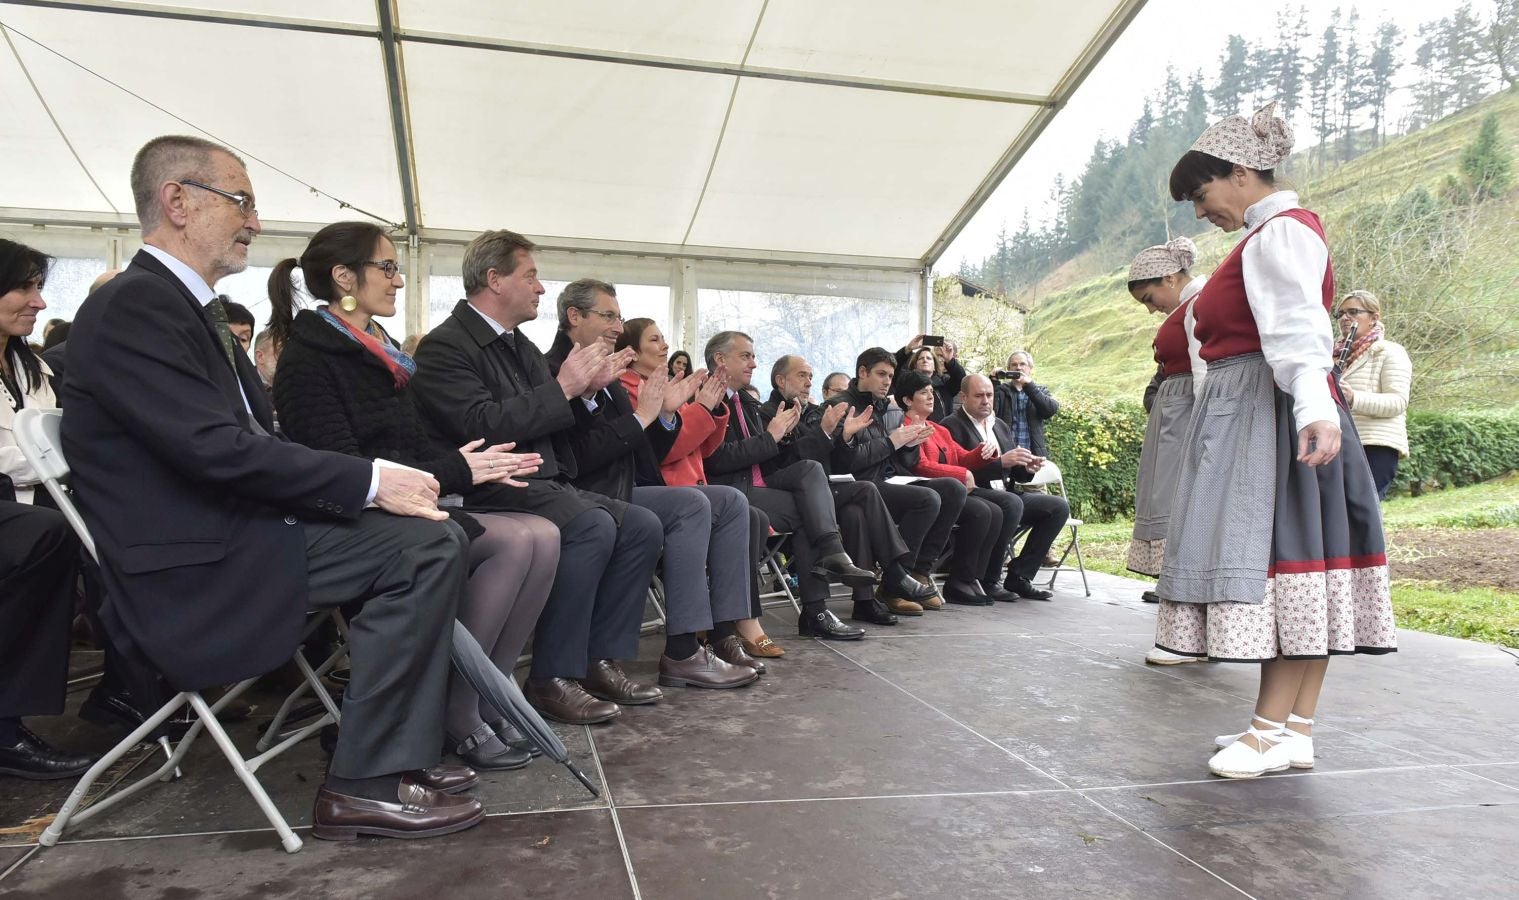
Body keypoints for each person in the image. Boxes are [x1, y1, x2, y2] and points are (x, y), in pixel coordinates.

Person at [62, 135, 482, 839]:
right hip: (195, 560)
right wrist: (369, 479)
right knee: (421, 550)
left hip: (232, 529)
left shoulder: (179, 307)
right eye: (241, 201)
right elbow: (211, 450)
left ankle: (395, 754)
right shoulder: (137, 306)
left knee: (428, 536)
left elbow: (251, 446)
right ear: (178, 201)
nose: (254, 221)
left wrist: (368, 487)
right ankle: (364, 781)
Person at [1160, 103, 1394, 779]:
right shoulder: (1271, 235)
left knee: (1280, 563)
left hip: (1273, 413)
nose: (1201, 214)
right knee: (1306, 567)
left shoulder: (1278, 236)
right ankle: (1294, 728)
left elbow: (1298, 333)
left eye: (1202, 197)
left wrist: (1313, 411)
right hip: (1274, 407)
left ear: (1238, 173)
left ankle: (1266, 733)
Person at [269, 220, 556, 771]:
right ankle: (459, 708)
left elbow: (411, 449)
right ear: (344, 278)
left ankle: (485, 697)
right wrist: (458, 471)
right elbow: (341, 468)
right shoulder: (312, 356)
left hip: (402, 506)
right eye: (388, 267)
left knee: (541, 534)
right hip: (356, 521)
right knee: (518, 541)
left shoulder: (381, 349)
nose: (399, 280)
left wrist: (471, 468)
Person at [410, 229, 665, 726]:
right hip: (488, 486)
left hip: (543, 483)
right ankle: (551, 676)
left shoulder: (519, 347)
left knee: (641, 526)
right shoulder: (445, 347)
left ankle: (598, 660)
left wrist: (581, 391)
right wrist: (566, 387)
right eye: (530, 276)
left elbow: (548, 421)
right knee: (593, 524)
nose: (541, 288)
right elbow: (481, 426)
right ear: (494, 280)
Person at [546, 280, 759, 689]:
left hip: (634, 484)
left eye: (619, 318)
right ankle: (682, 649)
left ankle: (723, 630)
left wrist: (665, 415)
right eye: (608, 316)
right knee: (693, 505)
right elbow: (577, 456)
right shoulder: (566, 369)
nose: (615, 326)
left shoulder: (610, 375)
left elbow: (647, 454)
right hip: (593, 489)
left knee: (732, 502)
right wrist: (656, 415)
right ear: (575, 316)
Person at [617, 317, 786, 659]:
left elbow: (702, 449)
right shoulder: (627, 388)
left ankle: (725, 628)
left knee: (738, 504)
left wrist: (712, 409)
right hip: (661, 488)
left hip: (692, 486)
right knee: (725, 506)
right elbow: (663, 453)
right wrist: (702, 410)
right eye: (655, 340)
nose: (665, 345)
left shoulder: (664, 385)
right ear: (632, 353)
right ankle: (694, 640)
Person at [701, 330, 879, 640]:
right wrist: (771, 437)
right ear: (720, 359)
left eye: (754, 356)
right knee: (810, 511)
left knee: (810, 477)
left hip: (759, 483)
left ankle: (824, 582)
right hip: (729, 490)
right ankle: (818, 604)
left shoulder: (746, 402)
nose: (754, 364)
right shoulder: (705, 398)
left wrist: (781, 437)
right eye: (746, 356)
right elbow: (716, 460)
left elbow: (770, 455)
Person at [0, 239, 96, 780]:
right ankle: (5, 731)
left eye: (39, 287)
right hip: (27, 510)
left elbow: (58, 442)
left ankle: (135, 688)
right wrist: (68, 465)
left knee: (99, 533)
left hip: (36, 504)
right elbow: (33, 455)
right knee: (51, 534)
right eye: (23, 286)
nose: (38, 301)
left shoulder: (30, 364)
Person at [764, 353, 942, 618]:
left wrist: (906, 444)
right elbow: (802, 463)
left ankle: (865, 602)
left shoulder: (862, 407)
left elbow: (828, 460)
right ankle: (895, 574)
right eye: (802, 376)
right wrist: (835, 435)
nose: (809, 383)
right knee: (872, 492)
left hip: (834, 487)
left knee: (857, 513)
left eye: (811, 377)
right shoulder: (776, 412)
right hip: (811, 490)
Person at [826, 348, 971, 608]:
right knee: (927, 499)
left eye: (890, 376)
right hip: (857, 485)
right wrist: (893, 442)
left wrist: (909, 445)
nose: (886, 381)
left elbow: (900, 461)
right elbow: (844, 462)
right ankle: (895, 584)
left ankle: (919, 572)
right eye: (881, 374)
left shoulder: (884, 408)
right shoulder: (842, 406)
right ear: (862, 373)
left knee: (953, 489)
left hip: (884, 481)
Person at [1125, 237, 1209, 648]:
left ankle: (1186, 626)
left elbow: (1205, 370)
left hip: (1187, 417)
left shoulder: (1197, 305)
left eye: (1150, 296)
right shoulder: (1185, 307)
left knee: (1180, 507)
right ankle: (1179, 615)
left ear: (1172, 277)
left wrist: (1203, 429)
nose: (1150, 306)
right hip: (1174, 415)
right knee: (1168, 504)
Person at [894, 371, 1023, 604]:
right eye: (924, 392)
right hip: (929, 493)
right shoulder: (904, 427)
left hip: (953, 490)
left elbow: (961, 457)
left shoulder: (938, 429)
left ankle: (972, 577)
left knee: (995, 510)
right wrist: (961, 473)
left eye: (932, 392)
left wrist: (985, 453)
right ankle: (953, 579)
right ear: (907, 400)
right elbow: (919, 466)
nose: (931, 397)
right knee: (984, 512)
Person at [944, 375, 1069, 601]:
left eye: (989, 395)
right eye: (979, 395)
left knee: (1058, 507)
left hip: (1004, 490)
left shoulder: (998, 424)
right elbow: (957, 469)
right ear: (963, 397)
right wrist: (1000, 463)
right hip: (975, 493)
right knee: (1011, 503)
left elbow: (1012, 473)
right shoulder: (951, 426)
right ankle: (989, 579)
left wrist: (1027, 467)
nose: (986, 401)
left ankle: (1020, 575)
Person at [1334, 290, 1411, 499]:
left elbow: (1398, 401)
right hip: (1339, 443)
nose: (1344, 318)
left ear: (1374, 317)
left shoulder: (1390, 352)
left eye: (1353, 312)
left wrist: (1353, 398)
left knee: (1363, 511)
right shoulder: (1332, 354)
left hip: (1375, 445)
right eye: (1340, 314)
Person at [992, 350, 1058, 460]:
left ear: (1030, 369)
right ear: (1008, 369)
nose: (1018, 368)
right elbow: (990, 412)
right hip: (1006, 454)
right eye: (1014, 364)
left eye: (1022, 364)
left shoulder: (1039, 391)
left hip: (1034, 455)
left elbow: (1050, 410)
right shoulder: (1001, 390)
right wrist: (994, 381)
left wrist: (1029, 386)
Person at [895, 336, 966, 422]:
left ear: (935, 367)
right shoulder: (906, 383)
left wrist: (950, 360)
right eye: (921, 358)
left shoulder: (945, 384)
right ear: (914, 366)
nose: (925, 360)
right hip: (915, 429)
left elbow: (961, 379)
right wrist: (907, 349)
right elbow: (894, 369)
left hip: (941, 432)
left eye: (929, 358)